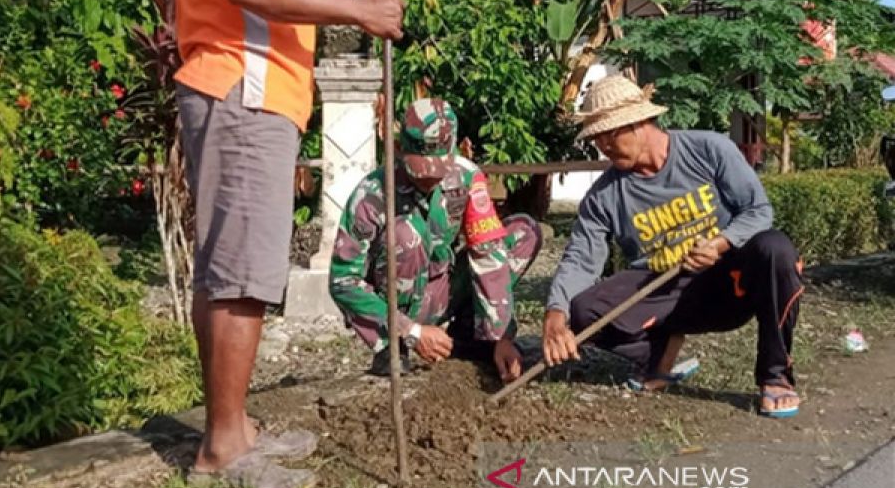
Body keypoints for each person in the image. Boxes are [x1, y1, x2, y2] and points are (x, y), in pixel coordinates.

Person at [170, 0, 404, 488]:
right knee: (243, 273)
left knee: (228, 268)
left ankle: (232, 430)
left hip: (234, 85)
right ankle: (222, 451)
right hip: (245, 88)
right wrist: (361, 12)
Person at [542, 75, 804, 418]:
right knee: (582, 310)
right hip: (665, 290)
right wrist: (555, 313)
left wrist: (721, 243)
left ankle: (775, 377)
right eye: (595, 138)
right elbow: (580, 259)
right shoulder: (604, 196)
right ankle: (658, 353)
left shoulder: (709, 150)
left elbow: (758, 211)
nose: (601, 146)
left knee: (776, 249)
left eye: (608, 134)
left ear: (638, 123)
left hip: (729, 281)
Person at [330, 98, 541, 383]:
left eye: (438, 171)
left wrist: (501, 335)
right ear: (398, 150)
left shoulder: (467, 178)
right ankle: (395, 347)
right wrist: (411, 331)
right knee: (406, 236)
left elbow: (487, 253)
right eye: (421, 171)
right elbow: (342, 281)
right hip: (394, 305)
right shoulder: (371, 197)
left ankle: (474, 336)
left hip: (442, 287)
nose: (430, 180)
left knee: (523, 232)